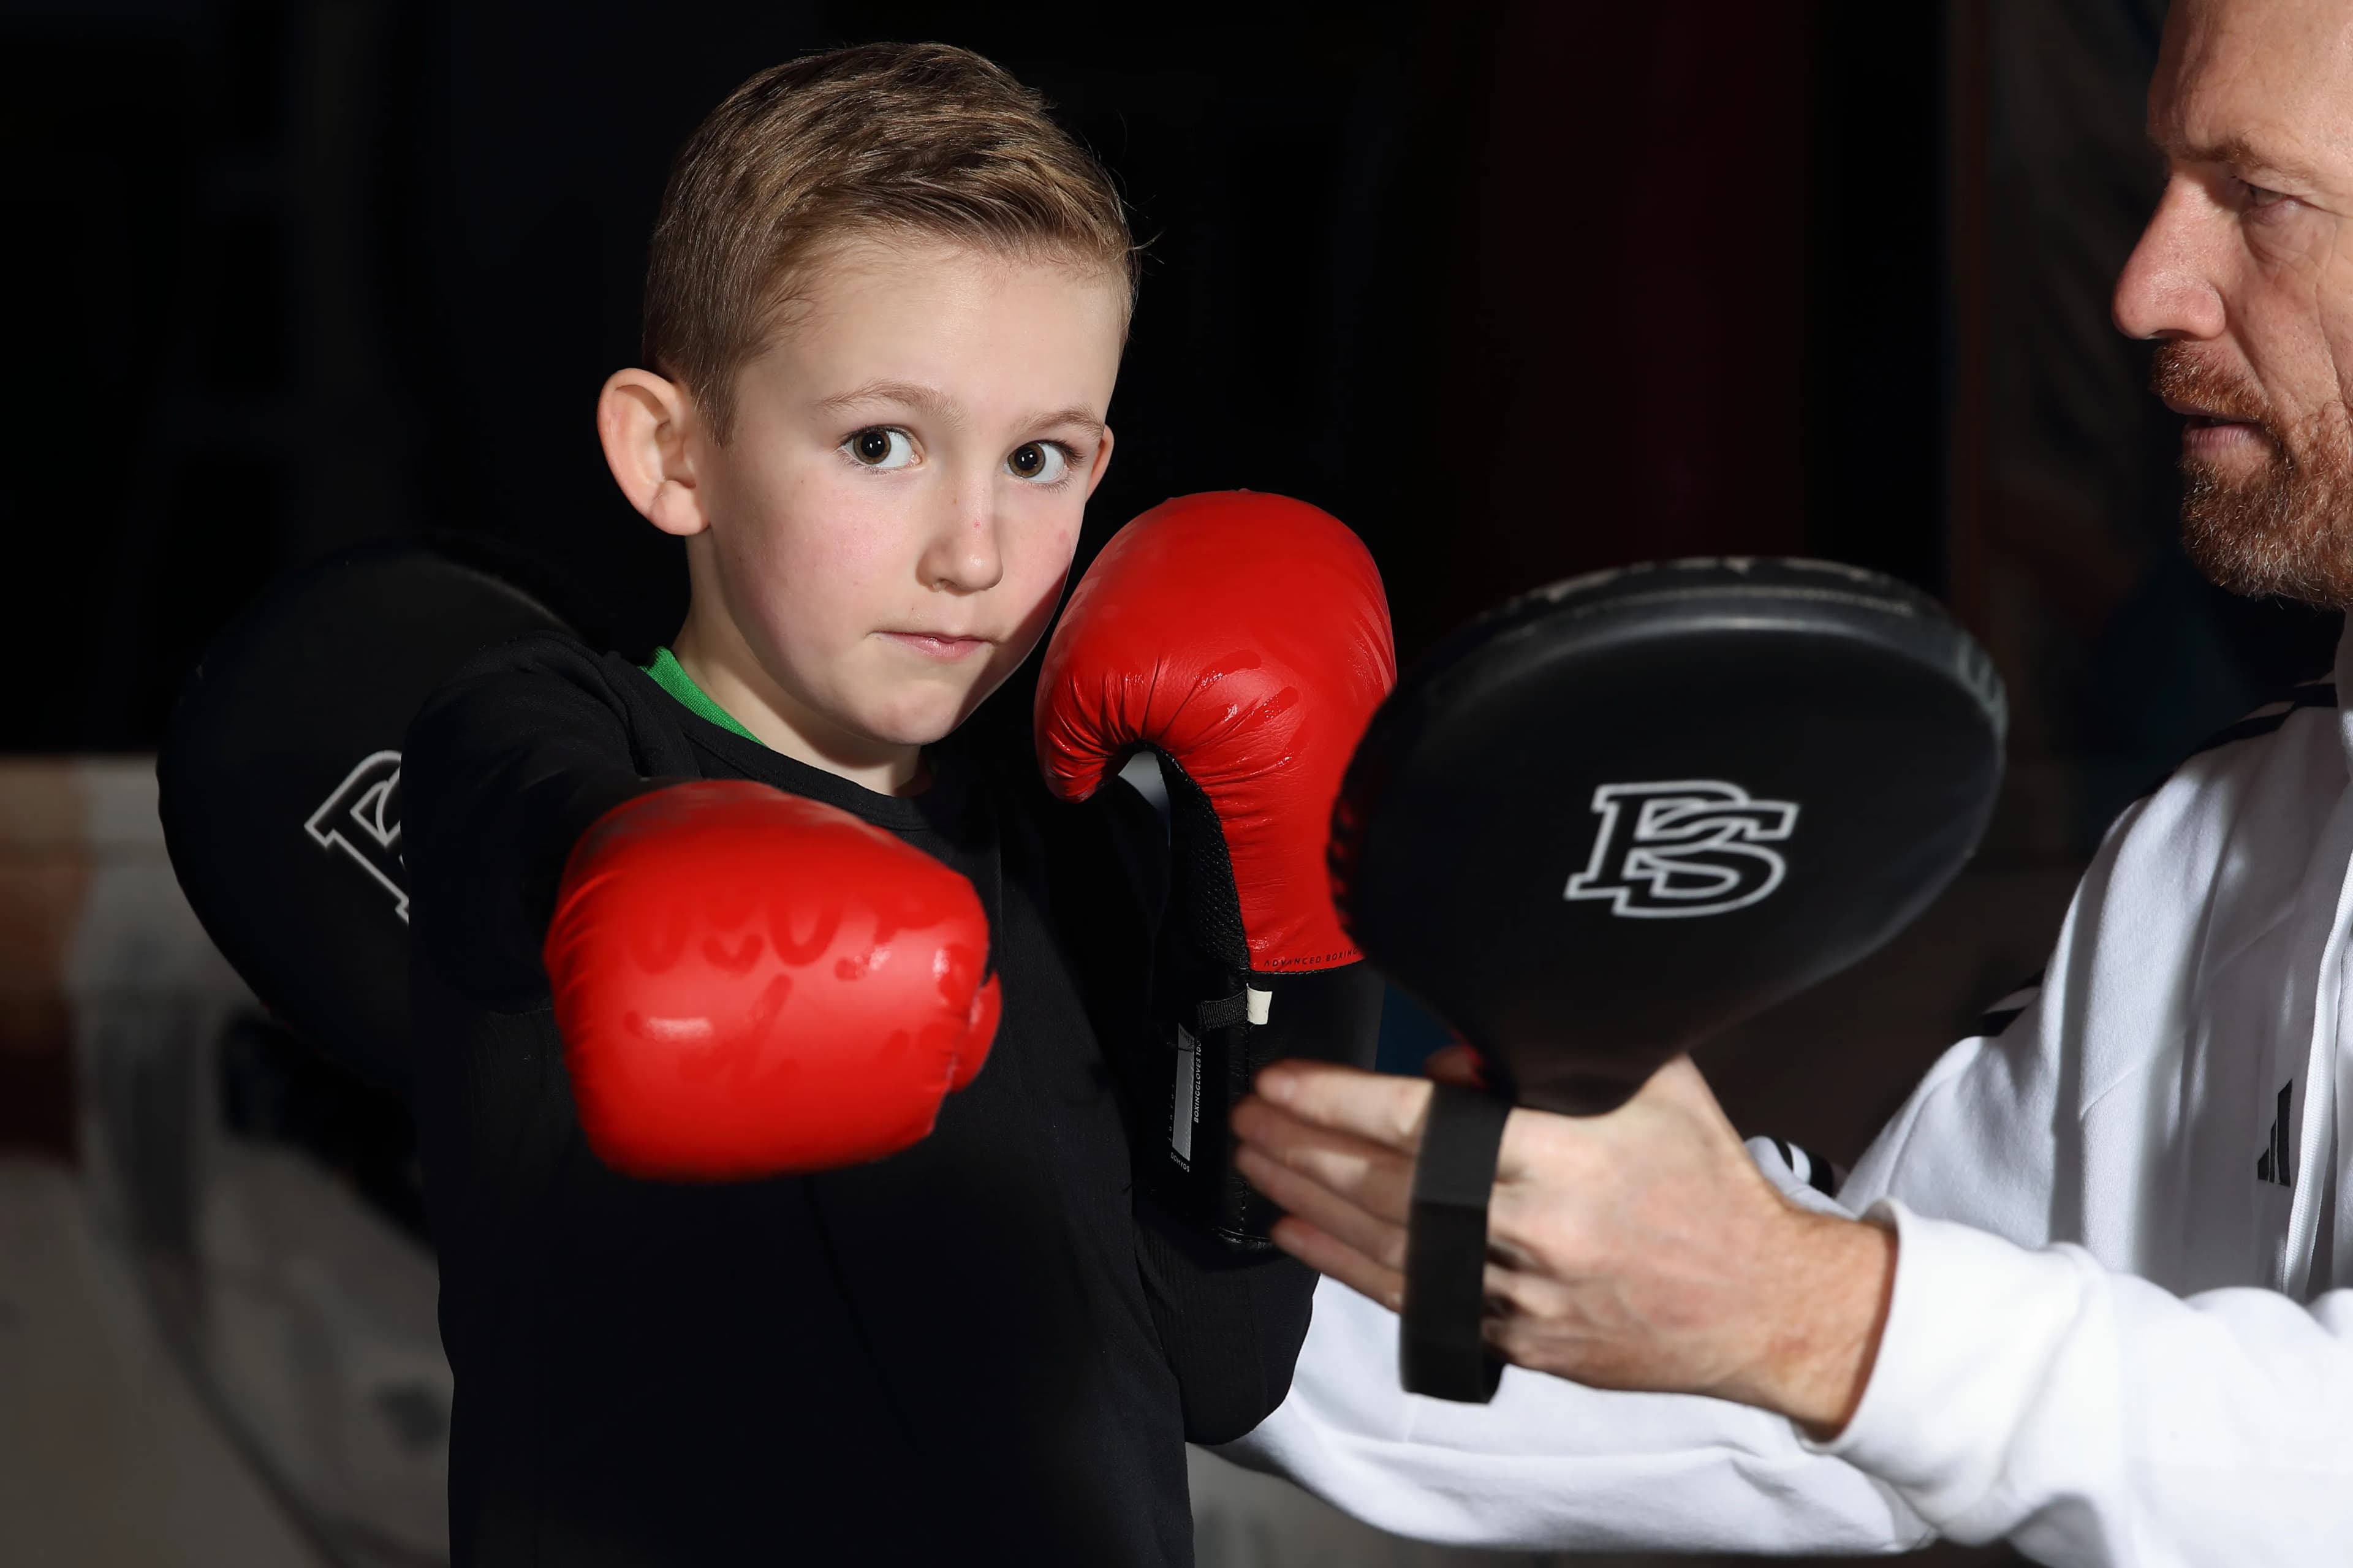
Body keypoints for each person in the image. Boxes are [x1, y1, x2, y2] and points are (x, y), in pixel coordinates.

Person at [1218, 1, 2353, 1562]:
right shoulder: (2220, 854)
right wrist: (1131, 1213)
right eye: (2166, 178)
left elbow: (1840, 1330)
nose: (2144, 284)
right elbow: (1816, 1407)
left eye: (2260, 196)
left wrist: (1803, 1308)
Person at [399, 44, 1384, 1566]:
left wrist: (1281, 941)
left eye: (1040, 457)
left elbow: (1224, 1361)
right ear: (672, 453)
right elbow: (519, 806)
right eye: (881, 444)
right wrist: (654, 871)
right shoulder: (559, 740)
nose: (973, 552)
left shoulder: (1086, 840)